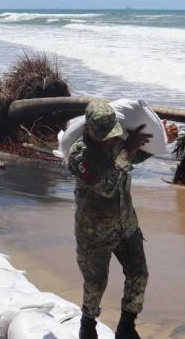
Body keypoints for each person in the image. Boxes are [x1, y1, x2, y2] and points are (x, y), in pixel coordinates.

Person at [67, 100, 154, 339]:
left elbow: (134, 158)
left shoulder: (117, 140)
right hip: (94, 232)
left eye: (111, 135)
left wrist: (162, 139)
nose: (109, 140)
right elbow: (106, 185)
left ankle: (127, 326)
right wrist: (128, 150)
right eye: (103, 136)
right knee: (96, 284)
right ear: (89, 131)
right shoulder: (79, 156)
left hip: (126, 225)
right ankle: (88, 325)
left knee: (139, 274)